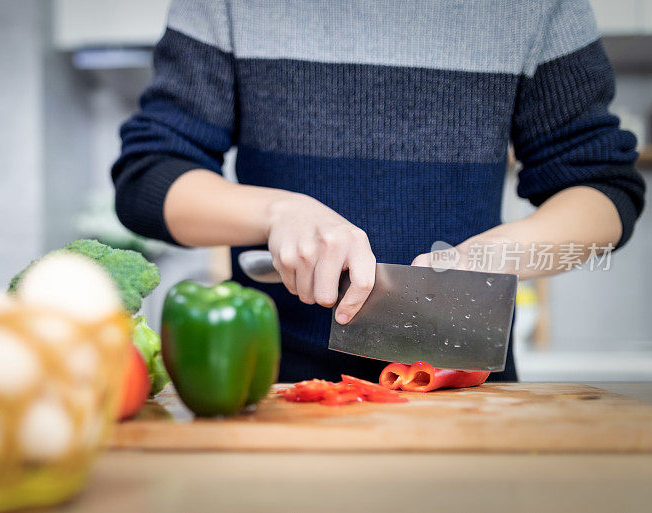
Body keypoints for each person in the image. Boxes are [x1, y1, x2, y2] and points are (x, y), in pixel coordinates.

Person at [112, 0, 645, 382]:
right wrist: (279, 212)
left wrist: (492, 257)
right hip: (270, 385)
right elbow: (149, 174)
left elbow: (601, 186)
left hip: (462, 387)